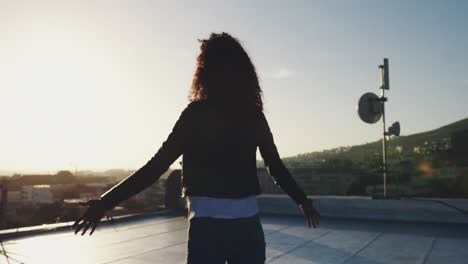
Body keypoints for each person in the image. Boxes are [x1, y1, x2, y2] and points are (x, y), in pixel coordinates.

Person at [73, 32, 320, 264]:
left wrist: (106, 201)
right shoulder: (253, 116)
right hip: (247, 226)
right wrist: (302, 200)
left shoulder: (195, 115)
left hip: (207, 226)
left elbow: (156, 167)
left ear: (205, 71)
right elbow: (275, 166)